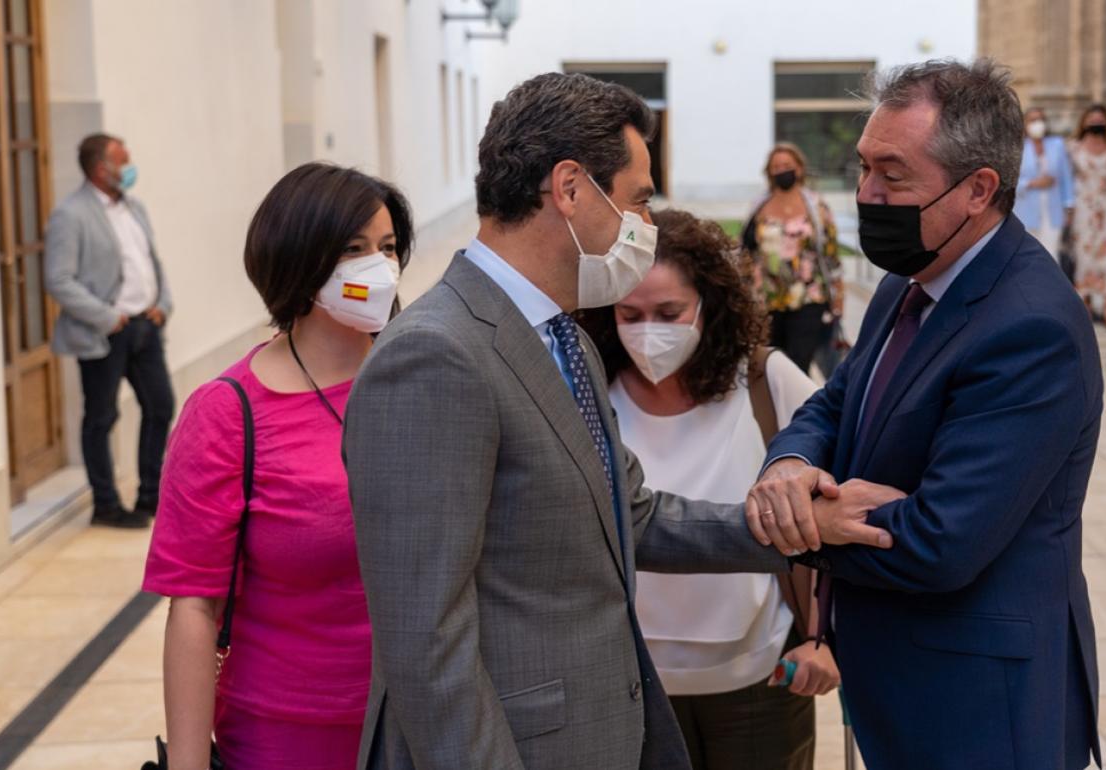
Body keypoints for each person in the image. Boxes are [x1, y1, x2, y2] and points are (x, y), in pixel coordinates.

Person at [343, 73, 894, 770]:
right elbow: (424, 642)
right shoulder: (435, 355)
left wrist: (807, 526)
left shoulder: (564, 340)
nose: (646, 224)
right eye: (637, 199)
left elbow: (632, 516)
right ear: (570, 188)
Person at [745, 59, 1104, 770]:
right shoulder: (911, 279)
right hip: (899, 681)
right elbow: (838, 401)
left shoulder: (1032, 326)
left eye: (893, 175)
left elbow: (941, 538)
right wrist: (789, 464)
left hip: (978, 705)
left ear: (978, 189)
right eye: (863, 167)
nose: (866, 193)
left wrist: (811, 522)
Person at [142, 163, 413, 770]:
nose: (379, 267)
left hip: (424, 720)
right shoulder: (228, 412)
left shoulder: (423, 378)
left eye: (389, 247)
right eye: (353, 249)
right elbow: (193, 608)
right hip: (287, 735)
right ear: (299, 260)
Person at [577, 208, 835, 770]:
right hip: (631, 686)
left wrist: (827, 638)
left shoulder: (765, 382)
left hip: (760, 679)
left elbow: (835, 502)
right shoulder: (588, 394)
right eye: (630, 314)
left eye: (670, 313)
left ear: (710, 305)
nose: (649, 331)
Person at [44, 134, 174, 529]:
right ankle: (106, 505)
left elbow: (152, 261)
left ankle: (150, 496)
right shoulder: (71, 215)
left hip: (146, 327)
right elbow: (58, 279)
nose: (130, 167)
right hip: (105, 333)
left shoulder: (134, 207)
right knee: (101, 417)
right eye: (124, 160)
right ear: (102, 169)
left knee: (160, 406)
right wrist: (107, 317)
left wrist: (163, 303)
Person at [741, 143, 844, 376]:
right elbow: (746, 251)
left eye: (787, 165)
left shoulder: (816, 207)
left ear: (799, 168)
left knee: (798, 365)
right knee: (769, 365)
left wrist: (839, 297)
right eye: (776, 167)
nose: (782, 170)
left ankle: (799, 400)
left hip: (808, 297)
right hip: (766, 300)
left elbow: (831, 254)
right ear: (769, 172)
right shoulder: (759, 206)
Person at [1069, 103, 1106, 329]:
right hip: (1084, 209)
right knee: (1085, 255)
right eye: (1092, 119)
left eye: (1100, 119)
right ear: (1084, 122)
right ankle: (1085, 302)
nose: (1096, 123)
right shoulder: (1073, 148)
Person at [1015, 106, 1075, 257]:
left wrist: (1069, 206)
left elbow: (1066, 177)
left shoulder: (1057, 145)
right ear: (1025, 123)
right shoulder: (1017, 148)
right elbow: (1010, 181)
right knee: (1027, 255)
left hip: (1053, 210)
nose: (1038, 123)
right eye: (1033, 120)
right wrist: (1032, 184)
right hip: (1025, 210)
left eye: (1041, 119)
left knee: (1051, 254)